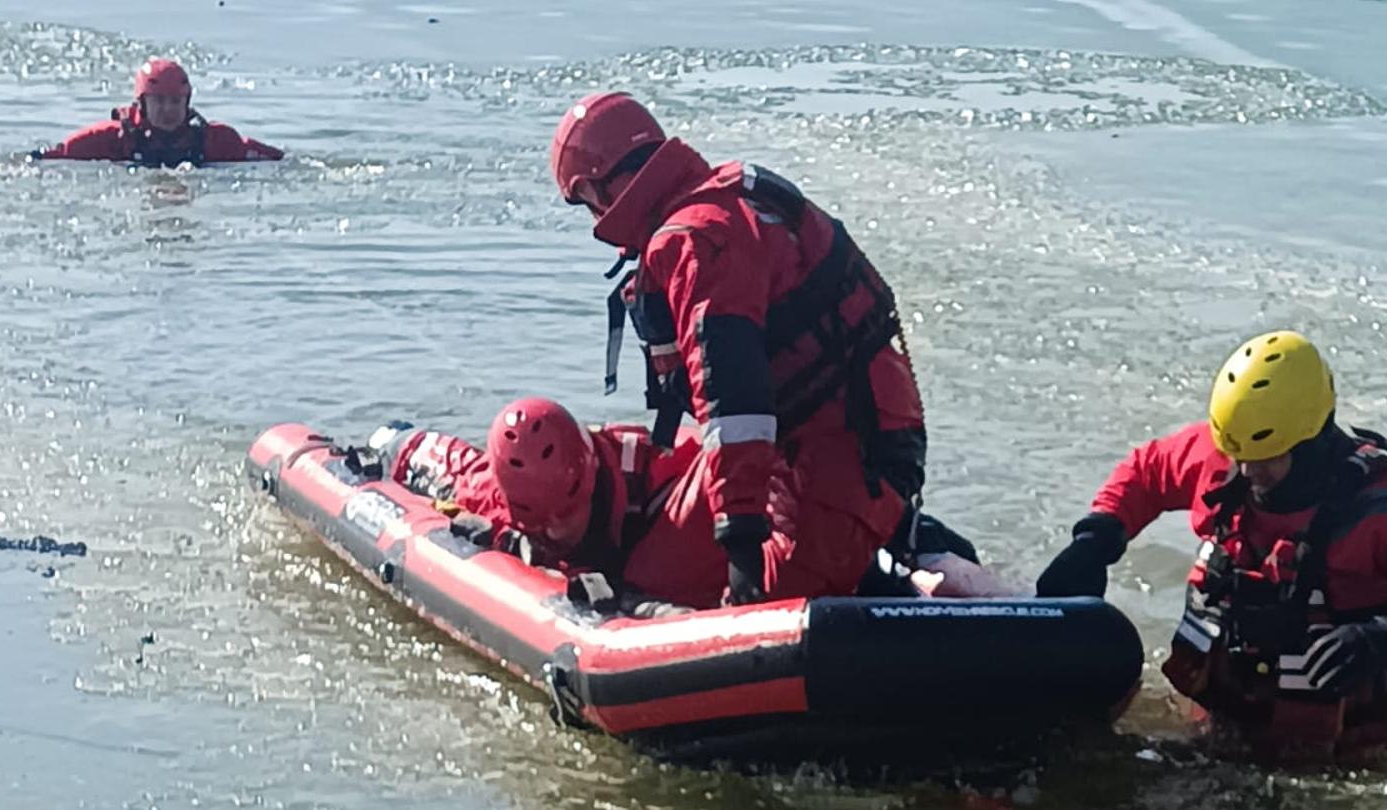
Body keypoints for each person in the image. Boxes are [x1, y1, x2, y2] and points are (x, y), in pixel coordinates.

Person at [1035, 330, 1387, 765]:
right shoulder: (1231, 456)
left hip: (1351, 762)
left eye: (1266, 459)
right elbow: (1150, 470)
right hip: (1217, 730)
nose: (1248, 474)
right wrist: (1098, 536)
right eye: (1238, 455)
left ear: (1311, 439)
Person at [549, 92, 930, 606]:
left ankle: (894, 572)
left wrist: (743, 546)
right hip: (794, 450)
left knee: (767, 601)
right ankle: (891, 550)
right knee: (652, 577)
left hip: (844, 456)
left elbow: (736, 405)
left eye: (585, 200)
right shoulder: (712, 205)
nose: (592, 216)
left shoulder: (695, 242)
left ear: (602, 185)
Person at [366, 397, 1007, 615]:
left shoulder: (667, 494)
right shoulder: (515, 493)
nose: (560, 527)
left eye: (569, 512)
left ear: (587, 477)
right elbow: (461, 470)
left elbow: (756, 475)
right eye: (545, 521)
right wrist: (398, 447)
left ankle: (928, 559)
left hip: (745, 556)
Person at [32, 58, 282, 167]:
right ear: (141, 103)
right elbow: (55, 155)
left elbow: (275, 160)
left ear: (187, 102)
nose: (168, 110)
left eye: (176, 101)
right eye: (159, 101)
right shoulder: (109, 138)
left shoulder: (215, 139)